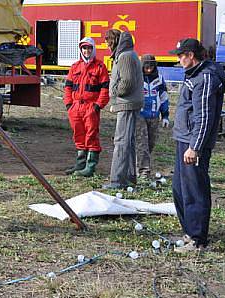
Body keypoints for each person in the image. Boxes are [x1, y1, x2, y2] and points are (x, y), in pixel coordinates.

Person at [170, 38, 225, 253]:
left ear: (191, 55)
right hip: (183, 138)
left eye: (180, 55)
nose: (178, 60)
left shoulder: (204, 78)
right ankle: (189, 232)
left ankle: (197, 240)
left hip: (192, 143)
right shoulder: (195, 75)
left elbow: (204, 116)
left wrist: (194, 147)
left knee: (194, 190)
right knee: (180, 188)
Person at [63, 37, 110, 177]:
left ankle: (90, 166)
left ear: (93, 49)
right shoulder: (75, 67)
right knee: (78, 134)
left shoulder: (100, 67)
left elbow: (105, 89)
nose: (87, 51)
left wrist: (97, 106)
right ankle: (80, 164)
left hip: (91, 107)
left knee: (91, 135)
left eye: (89, 48)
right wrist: (69, 104)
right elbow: (68, 87)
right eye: (84, 48)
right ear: (81, 50)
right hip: (76, 107)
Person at [104, 29, 144, 190]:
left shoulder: (125, 56)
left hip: (127, 104)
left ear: (114, 41)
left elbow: (127, 82)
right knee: (128, 142)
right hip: (130, 104)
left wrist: (114, 92)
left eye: (108, 41)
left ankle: (117, 181)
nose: (107, 45)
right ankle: (128, 178)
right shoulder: (128, 54)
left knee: (121, 142)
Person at [135, 54, 170, 178]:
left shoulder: (159, 79)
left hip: (154, 115)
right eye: (146, 67)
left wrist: (165, 115)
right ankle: (144, 170)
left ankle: (139, 164)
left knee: (150, 143)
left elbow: (164, 97)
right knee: (142, 143)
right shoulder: (137, 79)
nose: (148, 69)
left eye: (151, 67)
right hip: (140, 115)